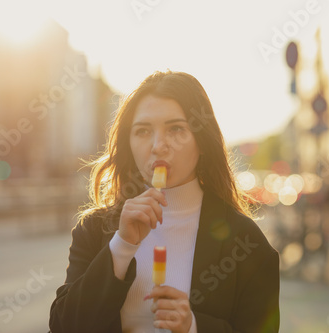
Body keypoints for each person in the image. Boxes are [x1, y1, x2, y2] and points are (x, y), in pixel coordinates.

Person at [48, 71, 280, 333]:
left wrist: (193, 327)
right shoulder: (94, 230)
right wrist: (122, 246)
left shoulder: (247, 242)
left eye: (176, 129)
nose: (158, 146)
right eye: (143, 131)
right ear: (129, 143)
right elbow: (63, 327)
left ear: (202, 141)